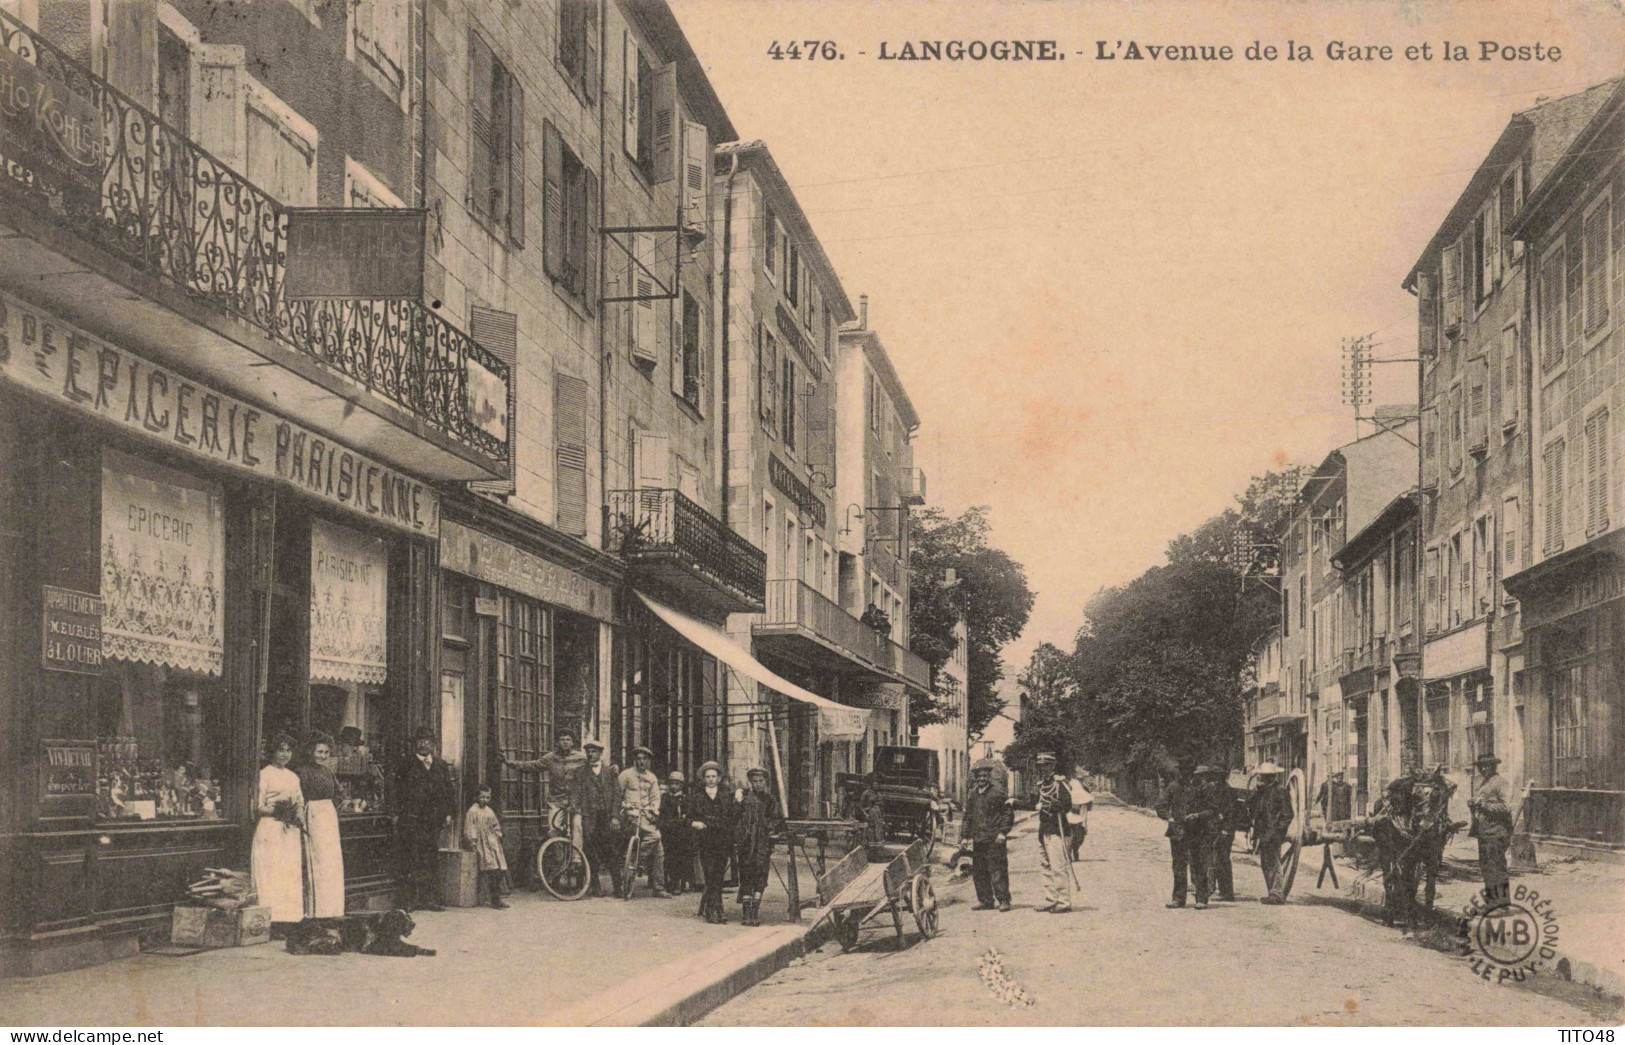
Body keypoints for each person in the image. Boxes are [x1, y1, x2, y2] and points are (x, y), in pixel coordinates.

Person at [394, 728, 456, 912]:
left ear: (433, 745)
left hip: (432, 820)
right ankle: (409, 901)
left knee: (430, 859)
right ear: (415, 744)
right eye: (420, 741)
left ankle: (429, 899)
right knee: (411, 858)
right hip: (411, 819)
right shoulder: (405, 764)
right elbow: (395, 790)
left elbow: (448, 792)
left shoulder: (441, 765)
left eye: (427, 741)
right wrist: (396, 814)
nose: (423, 744)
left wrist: (448, 813)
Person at [254, 733, 306, 934]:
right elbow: (258, 806)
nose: (285, 755)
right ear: (272, 752)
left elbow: (299, 801)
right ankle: (271, 921)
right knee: (271, 873)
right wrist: (281, 810)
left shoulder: (293, 776)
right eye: (280, 750)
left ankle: (288, 920)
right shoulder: (264, 774)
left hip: (289, 831)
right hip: (271, 828)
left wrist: (298, 814)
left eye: (288, 750)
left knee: (288, 874)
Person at [294, 731, 345, 919]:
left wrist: (333, 805)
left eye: (325, 752)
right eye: (319, 752)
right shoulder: (303, 771)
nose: (322, 756)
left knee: (330, 861)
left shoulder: (327, 771)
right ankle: (315, 909)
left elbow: (339, 792)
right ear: (310, 752)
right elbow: (298, 795)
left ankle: (331, 907)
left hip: (328, 818)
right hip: (312, 815)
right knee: (316, 859)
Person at [1016, 752, 1073, 913]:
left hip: (1057, 830)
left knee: (1058, 867)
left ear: (1053, 766)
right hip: (1044, 831)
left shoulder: (1060, 783)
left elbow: (1067, 805)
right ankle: (1051, 899)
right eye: (1040, 766)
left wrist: (1056, 805)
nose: (1043, 769)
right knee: (1046, 866)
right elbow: (1033, 804)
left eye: (1046, 765)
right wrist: (1014, 803)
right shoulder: (1042, 785)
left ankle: (1064, 902)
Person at [500, 729, 586, 834]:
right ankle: (557, 849)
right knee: (553, 830)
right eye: (562, 739)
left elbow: (596, 765)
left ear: (572, 742)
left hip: (575, 802)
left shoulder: (581, 758)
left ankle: (576, 851)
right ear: (557, 742)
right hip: (556, 801)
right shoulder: (550, 758)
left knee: (577, 827)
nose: (565, 742)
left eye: (568, 739)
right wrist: (509, 762)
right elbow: (532, 765)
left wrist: (612, 768)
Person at [568, 738, 622, 897]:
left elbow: (617, 796)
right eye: (588, 752)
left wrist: (615, 817)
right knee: (591, 851)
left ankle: (618, 887)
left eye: (594, 752)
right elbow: (575, 792)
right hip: (589, 817)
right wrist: (574, 806)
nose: (590, 754)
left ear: (600, 753)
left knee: (612, 851)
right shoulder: (580, 772)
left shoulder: (610, 772)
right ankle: (595, 885)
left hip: (606, 818)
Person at [617, 746, 669, 898]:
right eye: (638, 759)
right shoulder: (626, 775)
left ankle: (658, 887)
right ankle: (638, 861)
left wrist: (653, 809)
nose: (641, 762)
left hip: (645, 815)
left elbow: (655, 797)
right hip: (630, 815)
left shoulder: (652, 777)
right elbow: (617, 794)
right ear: (635, 760)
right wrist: (624, 805)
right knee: (656, 836)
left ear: (648, 761)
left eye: (644, 759)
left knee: (659, 851)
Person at [962, 758, 1014, 912]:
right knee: (979, 871)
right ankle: (985, 900)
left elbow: (1007, 813)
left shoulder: (997, 793)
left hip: (994, 839)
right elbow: (968, 816)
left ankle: (1004, 900)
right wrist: (965, 836)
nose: (981, 779)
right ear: (975, 779)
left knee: (998, 870)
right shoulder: (972, 795)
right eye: (979, 777)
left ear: (989, 777)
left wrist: (1003, 832)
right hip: (978, 839)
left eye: (984, 776)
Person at [1156, 756, 1208, 909]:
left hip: (1197, 830)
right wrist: (1169, 817)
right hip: (1178, 831)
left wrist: (1198, 815)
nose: (1185, 774)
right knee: (1178, 866)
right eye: (1183, 771)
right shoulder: (1173, 787)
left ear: (1193, 772)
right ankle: (1178, 899)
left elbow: (1212, 809)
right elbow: (1160, 805)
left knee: (1199, 865)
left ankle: (1202, 899)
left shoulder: (1203, 787)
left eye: (1189, 771)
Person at [688, 761, 736, 923]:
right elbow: (688, 817)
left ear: (719, 778)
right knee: (709, 873)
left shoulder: (726, 795)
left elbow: (732, 815)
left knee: (719, 873)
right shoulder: (696, 796)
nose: (710, 779)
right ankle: (713, 910)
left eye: (713, 776)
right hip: (705, 838)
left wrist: (739, 796)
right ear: (703, 778)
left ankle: (717, 908)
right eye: (707, 776)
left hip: (722, 838)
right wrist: (694, 823)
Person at [735, 767, 783, 926]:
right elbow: (735, 815)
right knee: (746, 875)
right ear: (750, 782)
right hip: (746, 844)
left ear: (765, 782)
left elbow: (776, 819)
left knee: (760, 876)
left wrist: (769, 828)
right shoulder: (744, 798)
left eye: (760, 781)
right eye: (754, 781)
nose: (757, 784)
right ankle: (746, 913)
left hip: (763, 843)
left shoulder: (770, 800)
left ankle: (755, 912)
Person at [1468, 754, 1513, 912]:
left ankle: (1499, 904)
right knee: (1486, 867)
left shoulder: (1500, 783)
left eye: (1487, 765)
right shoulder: (1483, 783)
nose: (1484, 768)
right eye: (1482, 766)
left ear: (1494, 766)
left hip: (1497, 832)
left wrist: (1484, 804)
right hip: (1484, 832)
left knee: (1496, 867)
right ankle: (1493, 902)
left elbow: (1506, 807)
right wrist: (1473, 804)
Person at [1250, 763, 1294, 905]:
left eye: (1262, 776)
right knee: (1266, 863)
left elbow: (1288, 814)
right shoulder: (1262, 791)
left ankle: (1276, 894)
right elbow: (1252, 808)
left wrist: (1278, 832)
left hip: (1273, 833)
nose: (1260, 779)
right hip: (1263, 833)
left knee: (1273, 863)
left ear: (1269, 778)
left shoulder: (1280, 791)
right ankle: (1272, 893)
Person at [463, 783, 509, 909]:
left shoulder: (489, 811)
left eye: (487, 797)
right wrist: (472, 841)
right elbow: (469, 828)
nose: (484, 800)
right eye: (482, 797)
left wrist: (498, 833)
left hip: (493, 842)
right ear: (476, 797)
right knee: (491, 869)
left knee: (500, 869)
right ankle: (494, 900)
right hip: (481, 843)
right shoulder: (472, 811)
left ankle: (496, 897)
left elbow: (495, 825)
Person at [1201, 765, 1240, 902]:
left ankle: (1226, 892)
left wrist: (1226, 829)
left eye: (1218, 776)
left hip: (1225, 831)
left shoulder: (1229, 791)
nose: (1215, 778)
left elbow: (1232, 814)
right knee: (1215, 859)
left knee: (1222, 860)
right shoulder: (1214, 789)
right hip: (1215, 829)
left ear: (1222, 777)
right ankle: (1218, 890)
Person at [660, 771, 696, 894]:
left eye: (677, 784)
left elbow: (688, 815)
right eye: (672, 783)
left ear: (681, 785)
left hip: (681, 833)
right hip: (667, 832)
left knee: (682, 857)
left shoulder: (685, 799)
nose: (674, 786)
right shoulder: (664, 798)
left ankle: (681, 882)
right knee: (669, 857)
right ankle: (670, 881)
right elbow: (661, 814)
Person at [1065, 772, 1093, 861]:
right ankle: (1071, 853)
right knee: (1074, 838)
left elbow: (1084, 811)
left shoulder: (1079, 796)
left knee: (1074, 838)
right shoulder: (1072, 796)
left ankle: (1072, 851)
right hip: (1073, 819)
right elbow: (1083, 812)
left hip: (1073, 819)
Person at [858, 773, 886, 857]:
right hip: (869, 815)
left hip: (878, 817)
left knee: (878, 833)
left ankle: (877, 853)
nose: (876, 785)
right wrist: (865, 814)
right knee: (870, 833)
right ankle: (869, 853)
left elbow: (882, 808)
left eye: (878, 784)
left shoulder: (880, 795)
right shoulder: (866, 793)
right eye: (875, 783)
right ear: (872, 784)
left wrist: (882, 819)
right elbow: (860, 805)